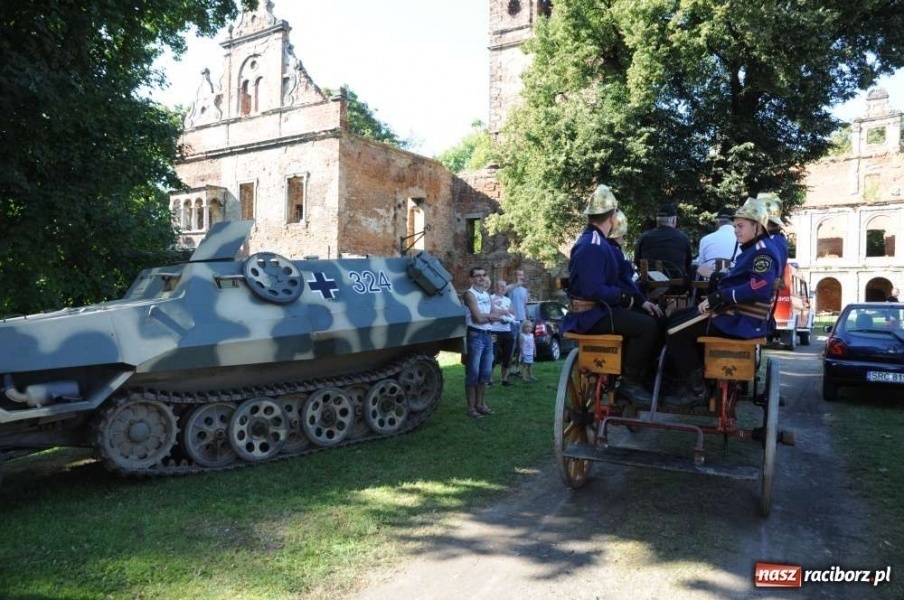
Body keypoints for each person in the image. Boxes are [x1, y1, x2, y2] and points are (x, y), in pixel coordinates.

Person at [665, 201, 781, 406]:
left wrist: (720, 297)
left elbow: (758, 288)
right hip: (735, 314)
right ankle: (692, 378)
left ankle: (696, 390)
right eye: (735, 226)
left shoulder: (762, 252)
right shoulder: (754, 249)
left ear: (758, 226)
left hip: (743, 321)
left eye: (740, 226)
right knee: (674, 318)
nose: (736, 231)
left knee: (676, 332)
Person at [562, 184, 661, 402]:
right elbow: (591, 289)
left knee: (647, 319)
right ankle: (630, 382)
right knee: (647, 327)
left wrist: (637, 300)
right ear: (612, 215)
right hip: (590, 316)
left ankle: (632, 372)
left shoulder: (597, 242)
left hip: (598, 311)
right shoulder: (593, 245)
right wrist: (622, 296)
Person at [463, 267, 503, 418]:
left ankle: (481, 404)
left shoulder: (486, 294)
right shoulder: (469, 294)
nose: (481, 278)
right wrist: (490, 316)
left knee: (485, 372)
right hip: (475, 336)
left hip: (487, 335)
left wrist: (487, 316)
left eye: (483, 275)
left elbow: (496, 314)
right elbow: (477, 319)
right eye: (477, 276)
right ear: (471, 279)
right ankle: (471, 408)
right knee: (473, 373)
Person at [609, 210, 664, 320]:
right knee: (656, 319)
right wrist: (642, 301)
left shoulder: (612, 249)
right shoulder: (614, 252)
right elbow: (624, 281)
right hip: (621, 303)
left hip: (623, 299)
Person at [634, 203, 694, 282]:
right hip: (677, 286)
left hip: (650, 286)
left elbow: (637, 261)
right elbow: (688, 264)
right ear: (673, 220)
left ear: (657, 221)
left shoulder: (644, 237)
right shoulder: (683, 238)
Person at [695, 206, 738, 279]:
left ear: (717, 222)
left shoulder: (705, 239)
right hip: (733, 283)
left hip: (709, 286)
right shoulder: (741, 239)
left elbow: (701, 266)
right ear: (734, 222)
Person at [490, 279, 517, 386]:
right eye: (500, 286)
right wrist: (499, 315)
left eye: (504, 287)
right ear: (495, 287)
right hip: (494, 331)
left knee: (508, 356)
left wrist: (506, 312)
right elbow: (487, 314)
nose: (502, 289)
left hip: (506, 330)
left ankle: (504, 379)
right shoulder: (490, 298)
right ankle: (489, 380)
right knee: (492, 356)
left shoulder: (507, 300)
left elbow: (514, 314)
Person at [506, 269, 530, 375]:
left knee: (522, 346)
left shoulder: (524, 290)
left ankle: (518, 369)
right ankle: (509, 369)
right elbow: (505, 292)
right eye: (518, 275)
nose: (520, 277)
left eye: (522, 275)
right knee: (512, 345)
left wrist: (528, 319)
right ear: (514, 276)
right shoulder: (510, 288)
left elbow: (525, 306)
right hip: (513, 321)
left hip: (523, 320)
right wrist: (517, 284)